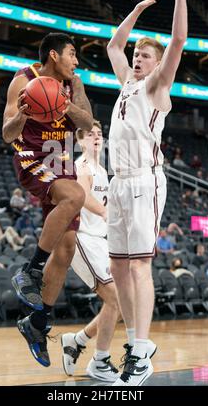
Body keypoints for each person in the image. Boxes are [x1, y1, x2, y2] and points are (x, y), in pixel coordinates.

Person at [106, 0, 195, 386]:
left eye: (145, 55)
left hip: (144, 180)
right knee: (119, 267)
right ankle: (133, 343)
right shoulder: (126, 81)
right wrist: (138, 10)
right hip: (117, 185)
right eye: (137, 54)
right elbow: (111, 45)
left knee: (140, 265)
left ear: (156, 64)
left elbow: (178, 39)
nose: (137, 58)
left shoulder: (157, 86)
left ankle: (143, 349)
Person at [2, 32, 93, 366]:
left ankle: (36, 324)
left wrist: (64, 102)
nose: (76, 61)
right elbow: (7, 134)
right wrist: (24, 114)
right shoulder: (23, 80)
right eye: (72, 54)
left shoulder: (74, 84)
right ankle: (30, 270)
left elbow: (86, 125)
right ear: (54, 55)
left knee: (67, 248)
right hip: (33, 158)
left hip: (62, 162)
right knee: (76, 195)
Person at [61, 121, 157, 381]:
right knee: (116, 299)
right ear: (80, 141)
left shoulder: (103, 170)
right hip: (82, 239)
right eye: (90, 135)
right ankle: (99, 359)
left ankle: (78, 341)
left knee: (121, 300)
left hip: (101, 240)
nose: (96, 137)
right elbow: (82, 195)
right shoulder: (81, 166)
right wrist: (106, 212)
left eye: (99, 134)